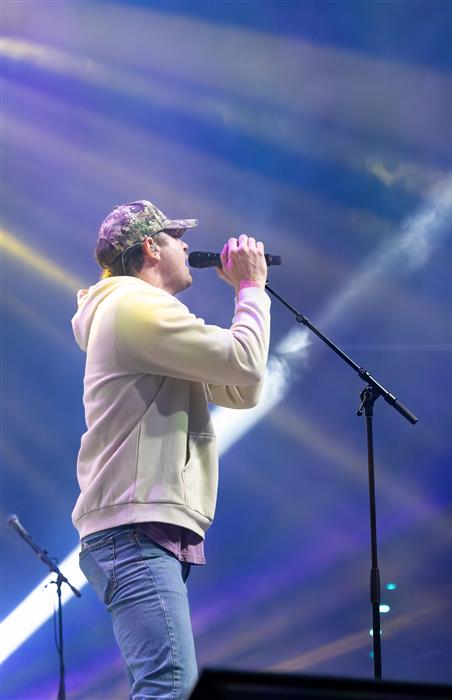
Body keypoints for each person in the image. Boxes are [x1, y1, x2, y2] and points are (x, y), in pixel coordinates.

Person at [72, 200, 271, 700]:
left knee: (168, 686)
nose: (187, 247)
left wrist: (248, 295)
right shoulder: (134, 306)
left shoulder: (136, 313)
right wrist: (250, 288)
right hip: (133, 526)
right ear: (150, 248)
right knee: (168, 688)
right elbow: (245, 364)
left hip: (136, 525)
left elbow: (241, 389)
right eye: (175, 238)